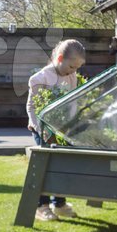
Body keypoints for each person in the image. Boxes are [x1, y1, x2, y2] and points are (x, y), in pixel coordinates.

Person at [26, 39, 86, 221]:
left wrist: (71, 123)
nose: (73, 71)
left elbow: (72, 102)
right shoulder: (40, 78)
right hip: (42, 129)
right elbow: (31, 107)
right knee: (45, 167)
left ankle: (59, 204)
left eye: (76, 68)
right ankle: (41, 206)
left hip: (62, 129)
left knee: (61, 165)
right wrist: (40, 128)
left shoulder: (71, 77)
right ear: (59, 58)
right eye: (71, 66)